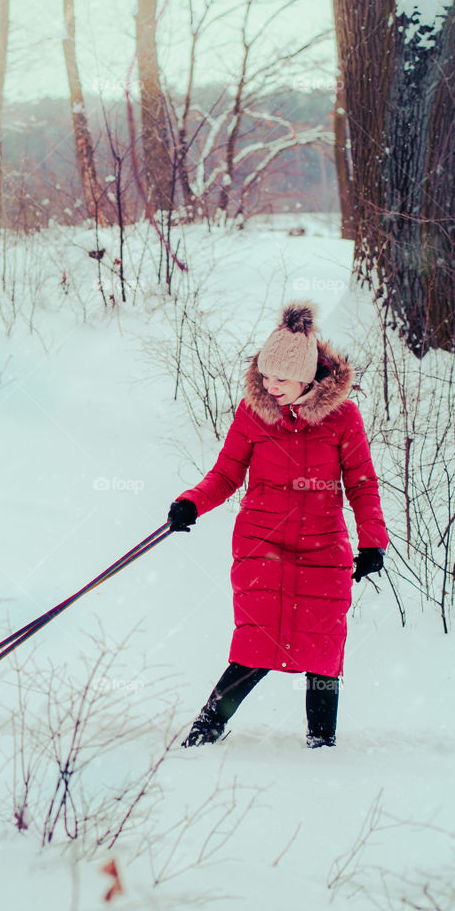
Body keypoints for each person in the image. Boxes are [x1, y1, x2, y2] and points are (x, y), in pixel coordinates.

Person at [167, 300, 388, 749]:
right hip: (260, 546)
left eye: (281, 379)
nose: (271, 386)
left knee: (323, 653)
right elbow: (226, 474)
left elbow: (362, 484)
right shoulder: (255, 413)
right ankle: (205, 730)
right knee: (255, 645)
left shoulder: (343, 418)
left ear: (308, 376)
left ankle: (321, 745)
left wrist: (373, 543)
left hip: (323, 551)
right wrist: (191, 503)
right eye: (266, 376)